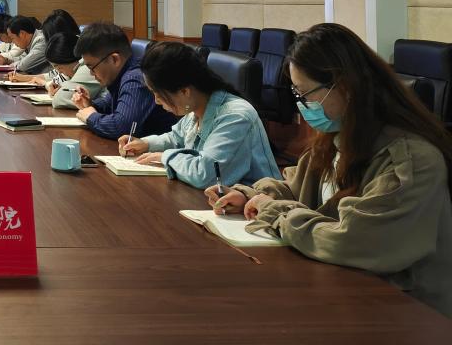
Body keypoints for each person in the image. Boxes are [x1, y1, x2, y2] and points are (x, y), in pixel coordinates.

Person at [207, 23, 452, 317]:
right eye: (296, 94)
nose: (301, 106)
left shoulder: (411, 161)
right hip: (342, 293)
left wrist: (273, 211)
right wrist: (250, 197)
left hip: (405, 313)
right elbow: (298, 188)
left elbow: (352, 241)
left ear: (345, 87)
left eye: (305, 94)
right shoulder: (336, 138)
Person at [119, 40, 279, 188]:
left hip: (256, 204)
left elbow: (205, 175)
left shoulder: (235, 117)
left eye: (159, 94)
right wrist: (146, 144)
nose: (156, 101)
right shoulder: (197, 106)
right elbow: (176, 138)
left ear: (184, 91)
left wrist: (165, 157)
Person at [71, 22, 175, 139]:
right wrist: (90, 104)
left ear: (114, 59)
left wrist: (91, 117)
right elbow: (109, 105)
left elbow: (122, 128)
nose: (91, 73)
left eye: (92, 68)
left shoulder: (135, 78)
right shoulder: (123, 73)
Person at [43, 32, 105, 109]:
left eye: (59, 67)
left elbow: (60, 99)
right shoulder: (79, 66)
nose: (59, 72)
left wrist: (61, 89)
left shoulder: (88, 67)